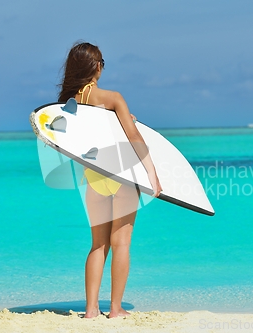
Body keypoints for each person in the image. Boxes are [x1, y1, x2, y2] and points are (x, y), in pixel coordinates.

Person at [57, 41, 162, 319]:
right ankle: (115, 309)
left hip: (93, 178)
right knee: (122, 244)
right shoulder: (112, 98)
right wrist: (152, 173)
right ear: (97, 67)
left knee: (97, 245)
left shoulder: (67, 105)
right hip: (123, 175)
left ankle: (91, 310)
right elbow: (134, 138)